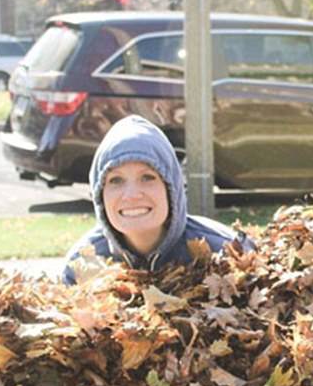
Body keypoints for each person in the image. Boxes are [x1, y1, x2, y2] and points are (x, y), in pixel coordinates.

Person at [63, 114, 243, 284]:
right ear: (100, 195)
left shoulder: (228, 251)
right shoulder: (80, 265)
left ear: (171, 187)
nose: (132, 194)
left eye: (147, 177)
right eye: (116, 180)